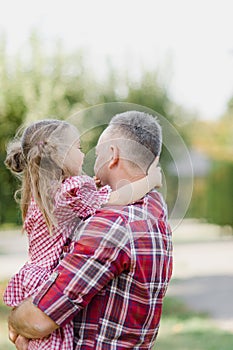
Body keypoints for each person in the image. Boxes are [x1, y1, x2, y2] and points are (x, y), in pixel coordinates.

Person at [8, 111, 173, 350]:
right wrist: (149, 182)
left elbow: (38, 319)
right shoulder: (155, 211)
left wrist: (16, 321)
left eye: (95, 152)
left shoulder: (112, 224)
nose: (87, 158)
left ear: (113, 156)